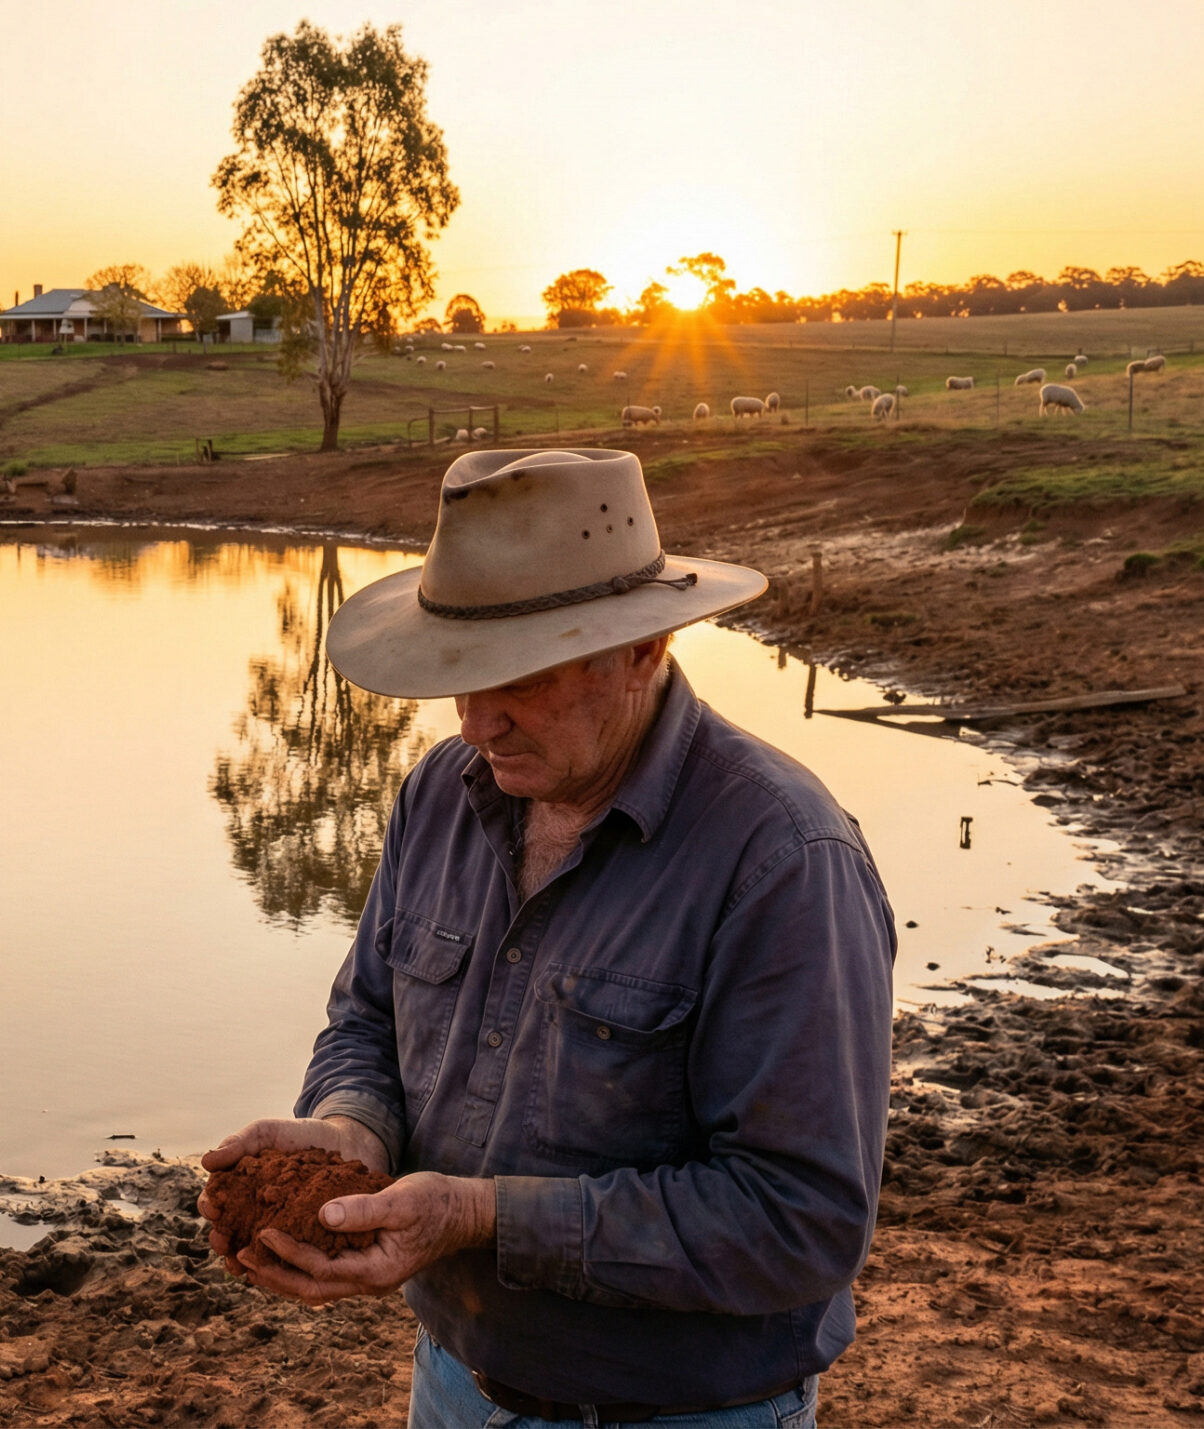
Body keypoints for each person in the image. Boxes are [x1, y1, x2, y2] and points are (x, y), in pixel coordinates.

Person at [200, 448, 895, 1428]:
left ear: (643, 650)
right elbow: (367, 1016)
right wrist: (350, 1131)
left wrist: (477, 1216)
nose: (478, 720)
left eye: (519, 676)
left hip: (681, 1412)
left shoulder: (781, 858)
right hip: (454, 1382)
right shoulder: (439, 793)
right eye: (461, 673)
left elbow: (801, 1221)